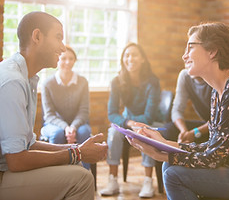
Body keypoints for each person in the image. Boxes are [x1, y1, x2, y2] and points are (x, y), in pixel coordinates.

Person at [0, 11, 108, 200]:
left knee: (74, 166)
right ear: (37, 36)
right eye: (58, 37)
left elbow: (29, 144)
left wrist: (77, 148)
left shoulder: (27, 78)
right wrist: (77, 153)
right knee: (82, 178)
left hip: (7, 168)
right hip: (3, 174)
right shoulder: (13, 81)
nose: (63, 48)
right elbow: (16, 160)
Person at [127, 22, 229, 200]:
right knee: (169, 168)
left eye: (190, 47)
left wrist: (159, 154)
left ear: (213, 51)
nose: (184, 55)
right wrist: (164, 144)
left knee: (173, 173)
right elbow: (211, 148)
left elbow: (213, 158)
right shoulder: (219, 93)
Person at [100, 43, 161, 198]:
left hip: (148, 123)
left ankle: (148, 180)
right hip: (126, 122)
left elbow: (149, 117)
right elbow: (112, 114)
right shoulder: (117, 81)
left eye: (134, 55)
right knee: (113, 132)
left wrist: (135, 124)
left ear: (142, 59)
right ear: (123, 60)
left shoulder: (153, 82)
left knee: (145, 131)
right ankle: (112, 179)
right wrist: (129, 123)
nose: (130, 58)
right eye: (127, 55)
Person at [41, 45, 91, 169]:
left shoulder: (83, 82)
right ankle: (58, 174)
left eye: (71, 59)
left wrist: (73, 127)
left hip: (78, 124)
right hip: (53, 124)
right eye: (63, 59)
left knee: (84, 132)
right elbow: (49, 115)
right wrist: (65, 127)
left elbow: (84, 112)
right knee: (57, 134)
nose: (67, 62)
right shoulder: (47, 83)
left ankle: (84, 174)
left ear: (75, 61)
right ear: (58, 59)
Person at [161, 68, 212, 144]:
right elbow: (176, 110)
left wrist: (194, 132)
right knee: (167, 129)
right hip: (205, 125)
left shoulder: (215, 77)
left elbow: (219, 120)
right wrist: (184, 132)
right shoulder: (185, 75)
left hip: (219, 128)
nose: (185, 58)